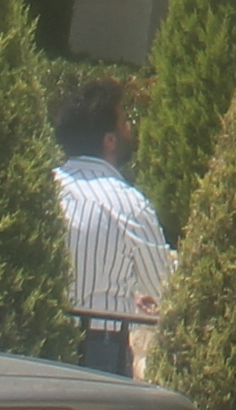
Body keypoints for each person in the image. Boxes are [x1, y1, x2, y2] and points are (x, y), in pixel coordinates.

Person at [50, 77, 173, 376]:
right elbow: (164, 287)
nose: (130, 128)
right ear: (110, 140)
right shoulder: (128, 205)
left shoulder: (43, 188)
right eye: (124, 122)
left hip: (39, 335)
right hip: (99, 347)